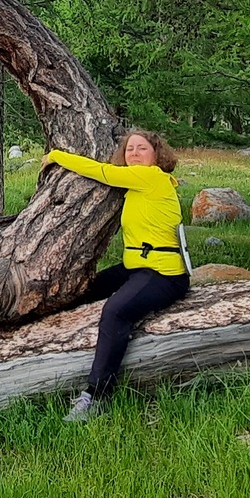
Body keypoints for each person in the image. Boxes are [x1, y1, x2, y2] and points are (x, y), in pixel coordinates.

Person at [41, 128, 190, 423]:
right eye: (130, 149)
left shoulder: (151, 178)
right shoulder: (138, 185)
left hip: (163, 274)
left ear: (157, 155)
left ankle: (96, 397)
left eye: (142, 149)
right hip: (137, 268)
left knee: (115, 313)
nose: (134, 153)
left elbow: (102, 172)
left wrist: (56, 155)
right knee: (84, 291)